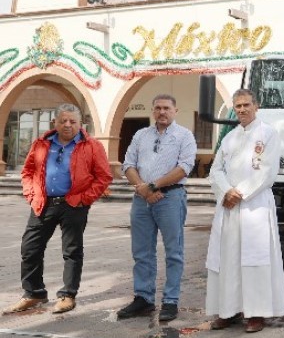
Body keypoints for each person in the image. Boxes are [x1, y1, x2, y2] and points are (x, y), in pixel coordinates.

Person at [2, 103, 112, 315]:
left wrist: (84, 199)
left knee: (71, 251)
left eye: (72, 121)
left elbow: (104, 177)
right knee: (30, 248)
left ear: (81, 124)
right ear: (55, 122)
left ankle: (67, 295)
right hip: (43, 203)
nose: (67, 125)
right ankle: (34, 293)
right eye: (63, 121)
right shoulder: (41, 143)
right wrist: (31, 195)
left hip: (74, 204)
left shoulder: (92, 146)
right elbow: (27, 172)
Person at [205, 89, 284, 333]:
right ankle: (228, 311)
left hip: (255, 206)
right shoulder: (229, 138)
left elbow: (267, 172)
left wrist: (238, 193)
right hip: (229, 207)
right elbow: (215, 169)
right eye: (237, 106)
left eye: (246, 105)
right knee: (228, 259)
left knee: (255, 258)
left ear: (256, 105)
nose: (241, 109)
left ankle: (256, 313)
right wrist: (226, 191)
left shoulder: (268, 134)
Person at [118, 94, 197, 322]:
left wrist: (153, 186)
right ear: (153, 111)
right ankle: (143, 298)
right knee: (142, 252)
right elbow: (128, 164)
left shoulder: (184, 136)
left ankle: (170, 301)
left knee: (174, 253)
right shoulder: (140, 135)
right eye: (158, 108)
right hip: (141, 201)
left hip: (171, 199)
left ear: (175, 110)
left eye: (166, 108)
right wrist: (143, 189)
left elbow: (185, 167)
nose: (162, 112)